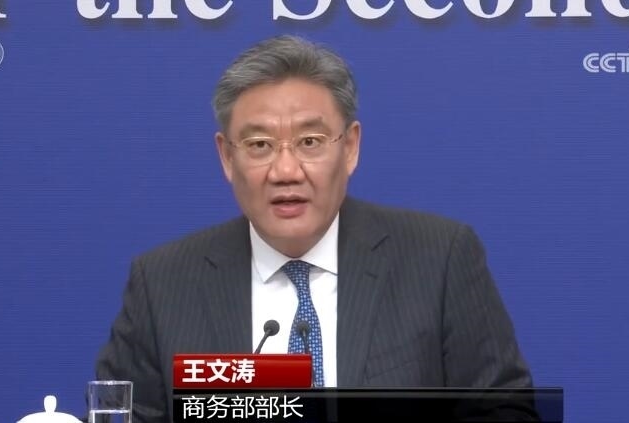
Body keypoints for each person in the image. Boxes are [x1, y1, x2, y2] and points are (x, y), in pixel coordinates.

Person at [94, 34, 536, 422]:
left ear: (351, 148)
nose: (286, 171)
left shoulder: (439, 260)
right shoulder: (163, 284)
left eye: (310, 142)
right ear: (227, 157)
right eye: (260, 145)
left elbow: (505, 411)